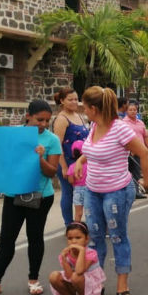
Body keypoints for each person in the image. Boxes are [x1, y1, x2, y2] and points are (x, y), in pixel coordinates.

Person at [0, 100, 61, 295]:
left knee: (35, 238)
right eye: (39, 119)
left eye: (47, 120)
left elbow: (52, 172)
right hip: (14, 194)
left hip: (40, 197)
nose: (43, 124)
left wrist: (40, 158)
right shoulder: (13, 133)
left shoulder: (51, 140)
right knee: (6, 239)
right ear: (28, 116)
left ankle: (33, 279)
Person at [76, 86, 148, 295]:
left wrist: (147, 181)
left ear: (93, 108)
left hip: (116, 191)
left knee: (118, 236)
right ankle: (96, 282)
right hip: (92, 190)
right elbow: (90, 150)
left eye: (84, 106)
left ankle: (122, 283)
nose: (83, 110)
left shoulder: (119, 129)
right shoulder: (93, 126)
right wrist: (82, 162)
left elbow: (144, 153)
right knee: (96, 237)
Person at [49, 222, 106, 295]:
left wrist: (82, 251)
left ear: (86, 239)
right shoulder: (66, 254)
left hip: (90, 283)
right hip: (76, 281)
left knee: (76, 276)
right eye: (70, 238)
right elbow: (69, 275)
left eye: (78, 238)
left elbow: (79, 271)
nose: (74, 241)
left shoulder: (91, 253)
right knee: (54, 276)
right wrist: (63, 258)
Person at [52, 88, 88, 226]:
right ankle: (69, 224)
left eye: (76, 99)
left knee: (83, 192)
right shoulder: (61, 119)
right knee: (68, 193)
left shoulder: (79, 116)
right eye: (70, 99)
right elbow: (57, 145)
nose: (74, 102)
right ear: (62, 101)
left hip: (83, 162)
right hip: (67, 161)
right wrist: (64, 167)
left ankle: (80, 221)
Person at [123, 101, 148, 200]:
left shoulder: (140, 122)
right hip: (128, 152)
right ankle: (128, 193)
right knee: (128, 172)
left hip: (140, 151)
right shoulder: (123, 123)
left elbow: (145, 136)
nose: (133, 112)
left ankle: (136, 192)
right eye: (130, 110)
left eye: (134, 110)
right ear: (126, 111)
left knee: (137, 172)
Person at [66, 140, 87, 222]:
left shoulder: (72, 166)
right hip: (89, 190)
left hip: (77, 190)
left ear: (73, 153)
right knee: (90, 212)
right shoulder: (90, 165)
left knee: (78, 213)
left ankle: (77, 227)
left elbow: (70, 181)